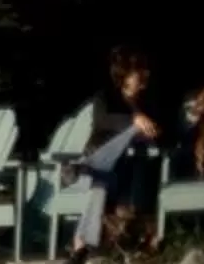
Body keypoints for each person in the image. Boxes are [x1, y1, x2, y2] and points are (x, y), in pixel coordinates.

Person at [71, 47, 177, 252]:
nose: (146, 74)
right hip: (103, 161)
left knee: (105, 182)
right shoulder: (106, 99)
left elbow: (163, 131)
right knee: (102, 180)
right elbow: (104, 121)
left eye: (145, 69)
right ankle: (84, 244)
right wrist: (134, 120)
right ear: (125, 77)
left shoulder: (150, 103)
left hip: (131, 170)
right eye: (139, 70)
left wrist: (150, 129)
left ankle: (83, 244)